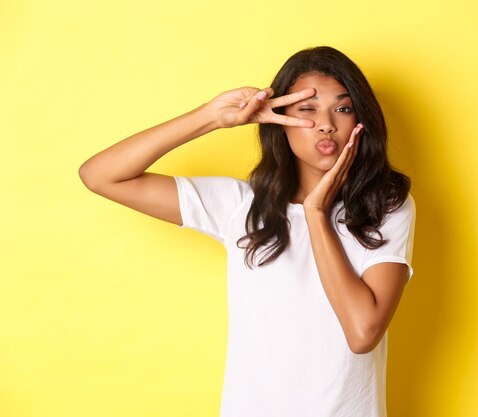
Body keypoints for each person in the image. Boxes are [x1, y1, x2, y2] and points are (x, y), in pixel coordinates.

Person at [79, 46, 416, 417]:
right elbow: (100, 175)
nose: (326, 124)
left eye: (342, 108)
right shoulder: (241, 205)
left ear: (360, 120)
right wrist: (211, 118)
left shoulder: (385, 207)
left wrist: (316, 213)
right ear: (279, 120)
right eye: (307, 109)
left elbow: (362, 333)